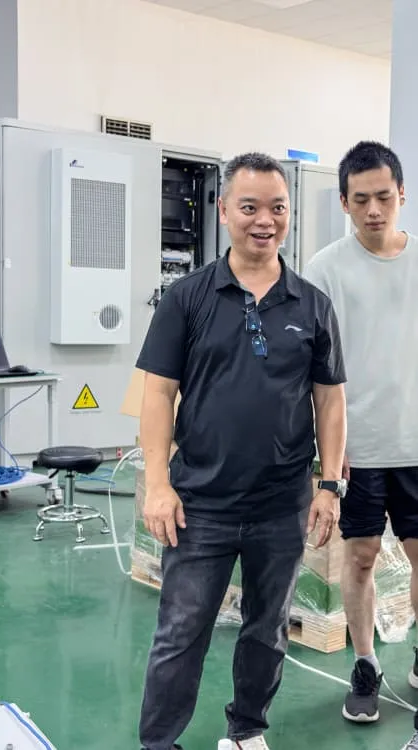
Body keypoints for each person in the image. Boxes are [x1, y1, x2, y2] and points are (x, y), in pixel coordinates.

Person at [137, 152, 347, 750]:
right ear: (224, 209)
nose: (265, 220)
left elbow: (330, 400)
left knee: (267, 629)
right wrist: (158, 483)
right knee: (181, 631)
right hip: (199, 503)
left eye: (277, 208)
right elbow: (158, 394)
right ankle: (159, 743)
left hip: (281, 504)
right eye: (250, 207)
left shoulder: (311, 304)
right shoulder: (187, 298)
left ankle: (247, 731)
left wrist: (329, 484)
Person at [302, 141, 418, 750]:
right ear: (344, 202)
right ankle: (366, 663)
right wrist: (326, 450)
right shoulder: (324, 270)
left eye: (384, 197)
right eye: (361, 199)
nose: (374, 210)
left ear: (402, 195)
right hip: (357, 448)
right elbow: (311, 370)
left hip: (416, 443)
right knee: (363, 556)